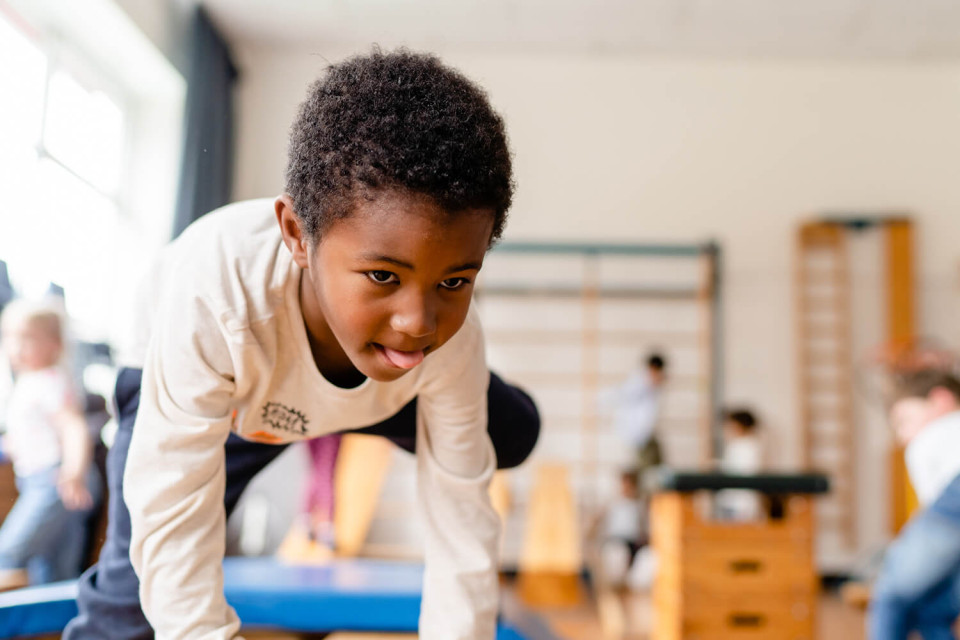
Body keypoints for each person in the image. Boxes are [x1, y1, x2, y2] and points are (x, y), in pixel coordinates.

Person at [64, 49, 540, 640]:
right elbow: (173, 519)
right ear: (297, 234)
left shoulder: (446, 341)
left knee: (515, 430)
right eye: (384, 276)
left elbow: (462, 520)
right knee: (129, 605)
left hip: (380, 388)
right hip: (235, 396)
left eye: (454, 281)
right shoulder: (217, 295)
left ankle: (357, 379)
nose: (420, 321)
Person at [0, 299, 99, 588]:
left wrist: (74, 471)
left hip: (58, 480)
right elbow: (28, 434)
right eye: (8, 336)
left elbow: (74, 428)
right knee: (57, 566)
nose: (15, 345)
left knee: (10, 552)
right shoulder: (27, 383)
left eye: (27, 337)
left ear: (55, 344)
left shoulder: (50, 380)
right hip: (38, 480)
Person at [869, 369, 960, 640]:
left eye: (903, 420)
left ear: (941, 400)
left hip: (952, 504)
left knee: (890, 598)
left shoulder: (929, 436)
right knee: (934, 611)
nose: (901, 436)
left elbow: (934, 520)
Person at [613, 352, 667, 479]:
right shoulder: (638, 384)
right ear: (653, 369)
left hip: (646, 435)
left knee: (657, 464)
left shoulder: (649, 386)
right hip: (639, 437)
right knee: (645, 470)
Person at [716, 408, 763, 521]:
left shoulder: (750, 447)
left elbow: (746, 472)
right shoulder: (736, 445)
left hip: (743, 504)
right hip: (731, 501)